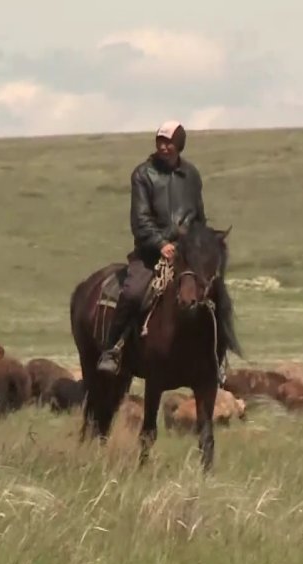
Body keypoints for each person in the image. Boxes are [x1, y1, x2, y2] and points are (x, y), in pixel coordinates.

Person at [97, 120, 240, 377]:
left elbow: (198, 217)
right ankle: (113, 349)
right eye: (160, 142)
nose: (163, 147)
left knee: (216, 294)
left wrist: (201, 244)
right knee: (132, 293)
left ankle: (218, 358)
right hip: (151, 253)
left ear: (179, 145)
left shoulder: (192, 176)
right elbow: (140, 220)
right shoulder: (143, 174)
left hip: (186, 253)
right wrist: (160, 244)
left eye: (169, 142)